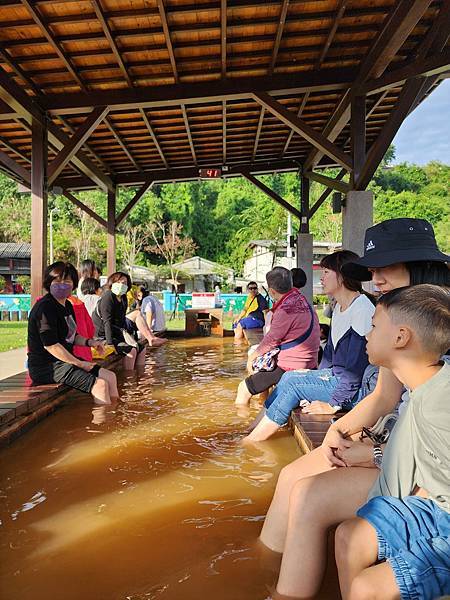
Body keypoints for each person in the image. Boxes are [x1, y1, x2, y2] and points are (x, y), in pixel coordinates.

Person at [258, 218, 450, 599]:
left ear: (419, 266)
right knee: (290, 477)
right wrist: (338, 431)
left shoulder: (434, 328)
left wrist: (376, 452)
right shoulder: (395, 320)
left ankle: (286, 592)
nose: (374, 279)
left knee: (310, 495)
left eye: (384, 268)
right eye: (372, 270)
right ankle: (261, 571)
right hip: (389, 440)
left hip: (419, 466)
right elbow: (384, 396)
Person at [335, 284, 450, 600]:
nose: (367, 335)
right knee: (349, 536)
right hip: (433, 509)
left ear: (401, 338)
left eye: (373, 326)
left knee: (366, 588)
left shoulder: (441, 400)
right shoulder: (422, 388)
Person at [244, 250, 375, 442]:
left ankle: (250, 443)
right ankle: (252, 429)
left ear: (342, 276)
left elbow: (355, 370)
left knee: (295, 385)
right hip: (337, 379)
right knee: (290, 376)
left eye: (326, 273)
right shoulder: (339, 308)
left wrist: (333, 405)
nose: (321, 278)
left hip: (356, 391)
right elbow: (329, 357)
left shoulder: (362, 309)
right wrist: (315, 378)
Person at [27, 262, 118, 405]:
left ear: (74, 284)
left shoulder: (67, 305)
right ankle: (104, 426)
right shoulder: (45, 308)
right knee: (100, 385)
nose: (62, 284)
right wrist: (79, 363)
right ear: (48, 282)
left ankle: (115, 415)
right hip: (46, 366)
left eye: (67, 281)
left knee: (110, 376)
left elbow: (72, 336)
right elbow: (51, 346)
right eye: (57, 281)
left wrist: (91, 343)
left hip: (65, 361)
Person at [234, 267, 320, 405]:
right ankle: (262, 402)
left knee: (243, 388)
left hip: (291, 365)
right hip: (310, 361)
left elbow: (271, 340)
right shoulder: (303, 301)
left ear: (272, 291)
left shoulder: (286, 309)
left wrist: (252, 358)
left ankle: (242, 422)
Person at [92, 271, 147, 370]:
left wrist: (129, 338)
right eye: (119, 282)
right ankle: (129, 379)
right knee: (131, 351)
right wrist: (109, 344)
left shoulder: (123, 298)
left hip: (116, 333)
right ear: (112, 283)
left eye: (124, 283)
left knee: (141, 349)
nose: (122, 285)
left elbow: (122, 321)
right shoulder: (108, 297)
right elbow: (107, 322)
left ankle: (140, 376)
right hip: (102, 336)